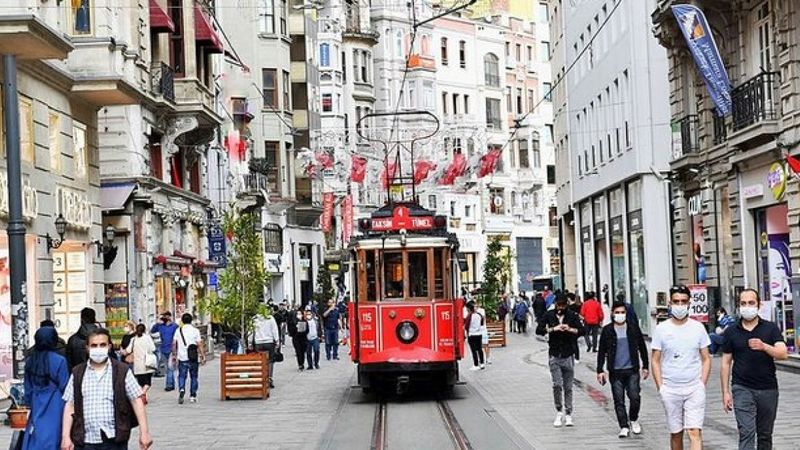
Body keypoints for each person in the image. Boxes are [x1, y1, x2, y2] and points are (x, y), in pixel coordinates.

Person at [61, 328, 153, 450]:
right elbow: (70, 405)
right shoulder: (78, 373)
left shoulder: (121, 370)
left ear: (109, 347)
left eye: (102, 345)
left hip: (114, 439)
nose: (98, 349)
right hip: (85, 440)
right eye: (94, 345)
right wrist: (65, 436)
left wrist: (144, 432)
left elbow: (136, 400)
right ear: (87, 348)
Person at [721, 289, 788, 450]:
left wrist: (764, 346)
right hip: (741, 387)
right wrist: (725, 392)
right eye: (743, 303)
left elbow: (783, 353)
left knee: (765, 435)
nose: (747, 307)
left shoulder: (770, 328)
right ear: (738, 306)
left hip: (768, 388)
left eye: (751, 303)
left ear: (759, 304)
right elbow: (725, 362)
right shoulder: (731, 331)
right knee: (746, 432)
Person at [651, 285, 712, 450]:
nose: (680, 305)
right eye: (676, 301)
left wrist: (701, 384)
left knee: (694, 432)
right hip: (670, 388)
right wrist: (661, 387)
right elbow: (655, 360)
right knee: (676, 433)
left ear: (689, 303)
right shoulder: (661, 329)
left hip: (694, 387)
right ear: (670, 303)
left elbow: (706, 358)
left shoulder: (698, 328)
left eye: (683, 301)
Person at [597, 301, 650, 438]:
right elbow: (602, 351)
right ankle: (624, 426)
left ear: (626, 314)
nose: (620, 315)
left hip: (632, 369)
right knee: (618, 400)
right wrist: (600, 370)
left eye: (622, 312)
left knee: (634, 397)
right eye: (617, 312)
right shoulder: (607, 330)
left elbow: (642, 347)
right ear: (612, 314)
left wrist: (645, 366)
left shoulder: (633, 328)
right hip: (615, 371)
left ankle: (633, 419)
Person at [536, 295, 583, 428]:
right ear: (555, 304)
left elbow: (582, 330)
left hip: (568, 354)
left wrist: (570, 329)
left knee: (568, 387)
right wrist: (552, 329)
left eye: (563, 305)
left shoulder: (572, 315)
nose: (560, 308)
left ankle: (568, 413)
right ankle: (559, 411)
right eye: (558, 305)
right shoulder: (549, 315)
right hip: (554, 354)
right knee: (557, 384)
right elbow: (538, 330)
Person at [22, 326, 69, 450]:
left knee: (36, 437)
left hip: (36, 402)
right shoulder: (60, 361)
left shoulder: (30, 361)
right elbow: (65, 387)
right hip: (55, 404)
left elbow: (27, 390)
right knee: (54, 437)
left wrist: (29, 402)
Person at [172, 313, 206, 404]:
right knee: (194, 376)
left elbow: (174, 343)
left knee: (182, 376)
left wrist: (174, 355)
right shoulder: (195, 330)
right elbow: (199, 344)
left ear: (182, 321)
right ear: (191, 320)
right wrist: (203, 355)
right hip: (193, 357)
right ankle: (192, 395)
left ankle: (182, 389)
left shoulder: (178, 330)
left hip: (182, 357)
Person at [126, 324, 156, 404]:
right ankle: (142, 394)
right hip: (147, 364)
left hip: (137, 366)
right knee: (147, 383)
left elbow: (128, 350)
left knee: (141, 383)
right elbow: (153, 348)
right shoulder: (147, 338)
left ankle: (144, 398)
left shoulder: (133, 339)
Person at [150, 311, 178, 390]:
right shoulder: (160, 326)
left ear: (169, 317)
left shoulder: (175, 326)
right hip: (163, 349)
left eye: (165, 316)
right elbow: (152, 331)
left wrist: (176, 350)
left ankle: (169, 385)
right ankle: (172, 384)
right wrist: (157, 322)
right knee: (169, 367)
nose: (164, 318)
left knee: (169, 367)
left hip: (172, 349)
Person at [253, 311, 280, 388]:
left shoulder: (255, 318)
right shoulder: (270, 318)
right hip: (269, 342)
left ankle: (262, 378)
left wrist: (250, 342)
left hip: (258, 342)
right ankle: (269, 378)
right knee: (270, 360)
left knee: (260, 361)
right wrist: (277, 340)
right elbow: (275, 329)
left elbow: (251, 331)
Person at [465, 302, 485, 371]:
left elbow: (466, 326)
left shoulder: (469, 316)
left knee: (473, 350)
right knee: (479, 349)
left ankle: (476, 364)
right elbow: (482, 323)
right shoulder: (479, 315)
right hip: (479, 334)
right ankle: (482, 363)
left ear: (468, 309)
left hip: (471, 335)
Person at [476, 300, 491, 364]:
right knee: (478, 345)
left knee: (485, 345)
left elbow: (483, 319)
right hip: (478, 330)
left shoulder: (482, 310)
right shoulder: (472, 312)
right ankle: (480, 359)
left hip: (482, 329)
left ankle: (487, 358)